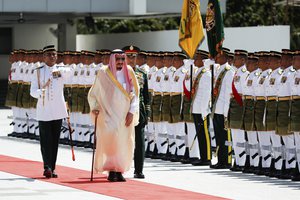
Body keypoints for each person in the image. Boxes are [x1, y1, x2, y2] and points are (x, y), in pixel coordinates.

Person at [88, 49, 139, 182]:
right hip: (108, 114)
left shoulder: (129, 71)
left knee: (124, 142)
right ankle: (111, 170)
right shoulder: (104, 73)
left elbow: (135, 95)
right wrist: (95, 107)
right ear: (112, 59)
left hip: (125, 115)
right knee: (112, 141)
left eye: (123, 59)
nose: (120, 62)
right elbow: (94, 93)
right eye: (118, 59)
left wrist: (131, 112)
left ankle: (119, 170)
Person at [30, 45, 71, 178]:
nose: (52, 56)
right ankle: (46, 166)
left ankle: (52, 167)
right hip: (44, 110)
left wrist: (59, 70)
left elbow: (69, 74)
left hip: (58, 109)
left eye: (54, 54)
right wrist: (41, 91)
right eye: (49, 54)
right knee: (45, 140)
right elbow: (32, 92)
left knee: (55, 140)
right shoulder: (38, 71)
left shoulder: (61, 69)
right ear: (44, 57)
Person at [122, 45, 150, 179]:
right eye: (128, 56)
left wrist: (147, 113)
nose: (131, 59)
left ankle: (138, 169)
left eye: (133, 56)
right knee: (122, 140)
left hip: (139, 111)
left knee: (139, 141)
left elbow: (146, 94)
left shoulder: (142, 74)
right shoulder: (118, 73)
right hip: (122, 110)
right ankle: (119, 167)